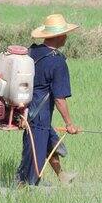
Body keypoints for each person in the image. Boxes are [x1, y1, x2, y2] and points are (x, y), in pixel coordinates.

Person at [16, 14, 80, 186]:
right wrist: (69, 124)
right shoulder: (57, 62)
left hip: (25, 111)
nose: (66, 36)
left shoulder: (32, 52)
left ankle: (62, 175)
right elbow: (59, 99)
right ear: (58, 36)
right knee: (33, 165)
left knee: (50, 144)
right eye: (65, 33)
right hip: (39, 116)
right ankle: (25, 189)